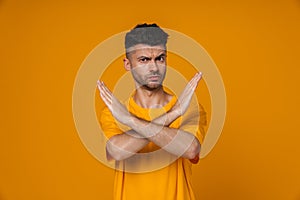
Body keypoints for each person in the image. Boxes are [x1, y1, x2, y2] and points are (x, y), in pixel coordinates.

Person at [97, 23, 206, 200]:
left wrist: (130, 121)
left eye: (160, 58)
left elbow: (191, 149)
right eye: (144, 60)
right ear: (127, 64)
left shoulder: (189, 108)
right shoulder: (113, 112)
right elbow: (116, 151)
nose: (154, 68)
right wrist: (173, 114)